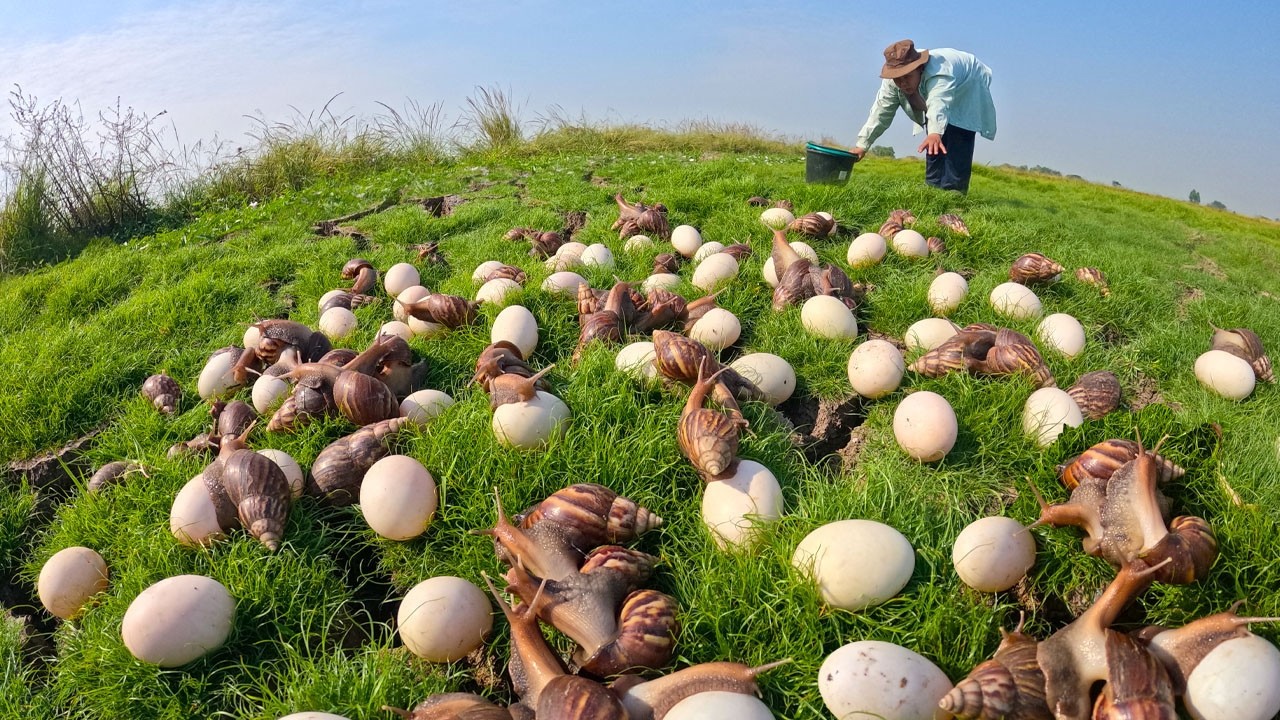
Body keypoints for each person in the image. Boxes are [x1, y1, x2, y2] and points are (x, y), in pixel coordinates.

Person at [850, 40, 996, 194]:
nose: (903, 83)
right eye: (897, 78)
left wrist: (934, 133)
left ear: (919, 68)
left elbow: (938, 102)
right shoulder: (892, 82)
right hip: (937, 94)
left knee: (958, 130)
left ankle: (955, 192)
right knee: (933, 141)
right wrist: (862, 145)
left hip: (969, 82)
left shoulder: (940, 72)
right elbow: (881, 111)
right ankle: (932, 188)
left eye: (907, 76)